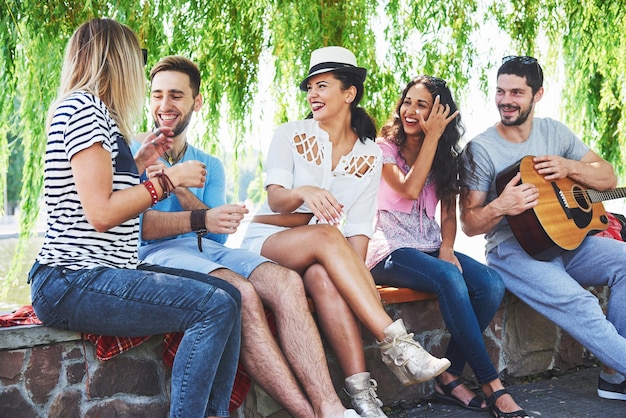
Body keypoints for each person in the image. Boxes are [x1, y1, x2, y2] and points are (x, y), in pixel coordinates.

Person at [27, 18, 241, 418]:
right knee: (213, 306)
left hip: (98, 271)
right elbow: (102, 213)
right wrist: (168, 181)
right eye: (138, 61)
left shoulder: (98, 114)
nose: (141, 74)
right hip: (73, 277)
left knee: (230, 296)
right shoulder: (83, 109)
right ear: (116, 61)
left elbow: (104, 190)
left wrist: (138, 162)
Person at [132, 55, 358, 418]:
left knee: (285, 282)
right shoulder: (134, 153)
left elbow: (216, 236)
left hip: (207, 251)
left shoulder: (210, 164)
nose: (164, 105)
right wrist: (185, 198)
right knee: (242, 293)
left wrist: (179, 189)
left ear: (196, 101)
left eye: (176, 95)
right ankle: (309, 414)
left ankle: (330, 405)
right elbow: (139, 227)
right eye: (157, 95)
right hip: (156, 255)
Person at [241, 46, 451, 417]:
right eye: (309, 88)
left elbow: (357, 229)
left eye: (322, 85)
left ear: (349, 92)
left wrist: (351, 281)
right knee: (326, 236)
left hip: (324, 252)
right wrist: (305, 191)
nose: (312, 95)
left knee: (326, 278)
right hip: (269, 242)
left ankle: (363, 400)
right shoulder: (290, 134)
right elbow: (275, 200)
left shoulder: (370, 155)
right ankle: (399, 347)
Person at [460, 55, 626, 404]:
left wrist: (569, 166)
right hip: (513, 250)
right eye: (500, 91)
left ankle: (614, 375)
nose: (506, 100)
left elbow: (608, 176)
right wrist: (502, 205)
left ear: (537, 95)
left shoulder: (555, 131)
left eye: (517, 92)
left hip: (569, 241)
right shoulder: (481, 149)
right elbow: (470, 223)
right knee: (581, 303)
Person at [367, 75, 529, 418]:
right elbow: (409, 189)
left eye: (422, 105)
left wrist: (448, 248)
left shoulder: (447, 160)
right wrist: (433, 137)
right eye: (407, 101)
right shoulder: (382, 149)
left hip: (428, 246)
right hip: (388, 248)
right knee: (449, 279)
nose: (410, 110)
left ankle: (450, 375)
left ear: (441, 113)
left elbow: (449, 217)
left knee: (490, 284)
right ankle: (493, 386)